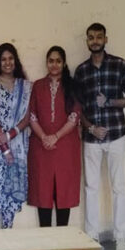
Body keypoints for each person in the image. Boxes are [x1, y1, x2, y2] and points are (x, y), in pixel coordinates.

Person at [74, 23, 125, 250]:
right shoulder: (82, 71)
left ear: (105, 39)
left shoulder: (119, 65)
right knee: (91, 188)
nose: (95, 41)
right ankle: (92, 238)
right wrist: (91, 128)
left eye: (99, 37)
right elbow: (77, 107)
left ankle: (120, 238)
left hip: (116, 134)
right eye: (91, 37)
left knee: (118, 187)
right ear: (87, 41)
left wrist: (110, 102)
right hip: (91, 138)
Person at [28, 46, 81, 228]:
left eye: (58, 61)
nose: (54, 64)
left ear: (64, 63)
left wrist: (55, 137)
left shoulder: (72, 86)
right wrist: (44, 137)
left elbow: (74, 116)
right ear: (46, 63)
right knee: (43, 193)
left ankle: (62, 240)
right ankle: (45, 240)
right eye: (51, 61)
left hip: (65, 147)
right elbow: (32, 115)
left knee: (63, 192)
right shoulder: (38, 86)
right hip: (41, 148)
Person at [0, 43, 32, 229]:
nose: (7, 62)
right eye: (3, 59)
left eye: (10, 58)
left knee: (11, 196)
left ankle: (8, 236)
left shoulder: (25, 86)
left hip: (18, 146)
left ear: (15, 61)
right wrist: (4, 148)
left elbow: (27, 117)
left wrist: (11, 134)